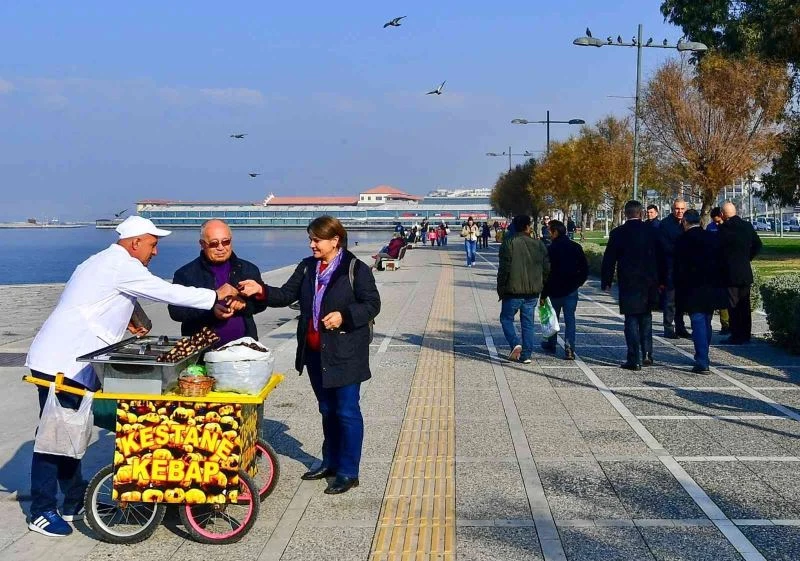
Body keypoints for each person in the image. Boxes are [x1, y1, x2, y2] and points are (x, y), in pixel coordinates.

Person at [24, 216, 239, 537]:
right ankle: (41, 510)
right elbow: (164, 291)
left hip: (72, 360)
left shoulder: (105, 261)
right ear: (135, 242)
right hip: (62, 362)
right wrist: (214, 296)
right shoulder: (121, 265)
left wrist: (134, 318)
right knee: (55, 438)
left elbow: (115, 297)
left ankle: (73, 501)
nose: (155, 253)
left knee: (71, 433)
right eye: (153, 245)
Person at [261, 216, 380, 494]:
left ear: (335, 240)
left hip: (346, 353)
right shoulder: (307, 267)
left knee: (347, 411)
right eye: (310, 239)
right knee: (327, 409)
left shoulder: (356, 269)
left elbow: (372, 304)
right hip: (315, 353)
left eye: (316, 239)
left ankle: (348, 471)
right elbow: (285, 295)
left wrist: (344, 316)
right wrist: (260, 291)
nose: (311, 244)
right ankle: (330, 461)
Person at [168, 219, 267, 346]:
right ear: (202, 244)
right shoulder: (185, 274)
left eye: (226, 242)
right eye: (214, 244)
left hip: (245, 348)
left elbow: (261, 305)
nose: (221, 248)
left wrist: (244, 305)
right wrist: (210, 310)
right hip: (202, 351)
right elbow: (175, 312)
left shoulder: (248, 269)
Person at [601, 200, 664, 371]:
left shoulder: (618, 233)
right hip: (649, 281)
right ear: (641, 213)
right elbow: (661, 257)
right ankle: (647, 354)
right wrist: (663, 280)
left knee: (631, 318)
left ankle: (633, 358)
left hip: (629, 281)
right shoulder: (652, 231)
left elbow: (609, 259)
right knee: (646, 317)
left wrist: (606, 280)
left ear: (626, 213)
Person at [673, 210, 728, 373]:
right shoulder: (712, 237)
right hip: (711, 285)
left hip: (691, 287)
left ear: (685, 222)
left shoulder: (682, 240)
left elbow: (677, 267)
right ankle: (704, 353)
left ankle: (702, 359)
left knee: (697, 321)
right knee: (706, 321)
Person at [497, 214, 550, 364]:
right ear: (528, 226)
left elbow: (504, 269)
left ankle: (515, 343)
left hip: (512, 291)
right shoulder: (538, 244)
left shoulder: (509, 243)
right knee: (528, 323)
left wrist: (501, 288)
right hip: (533, 291)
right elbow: (546, 268)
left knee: (506, 318)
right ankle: (526, 355)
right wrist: (543, 286)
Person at [540, 220, 588, 360]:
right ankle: (569, 348)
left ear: (555, 232)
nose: (548, 233)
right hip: (571, 290)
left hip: (554, 290)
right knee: (570, 320)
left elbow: (545, 272)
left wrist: (543, 293)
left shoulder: (550, 249)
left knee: (552, 318)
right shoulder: (575, 247)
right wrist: (577, 283)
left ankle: (551, 343)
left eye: (550, 230)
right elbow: (584, 269)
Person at [718, 202, 763, 344]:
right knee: (744, 304)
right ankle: (746, 334)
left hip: (730, 272)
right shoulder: (747, 226)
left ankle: (736, 334)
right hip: (744, 270)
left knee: (733, 304)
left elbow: (718, 251)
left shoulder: (723, 229)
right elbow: (758, 244)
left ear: (723, 214)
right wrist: (748, 257)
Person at [660, 199, 690, 339]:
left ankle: (680, 327)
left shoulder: (687, 223)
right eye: (677, 209)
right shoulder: (665, 224)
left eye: (682, 209)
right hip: (670, 267)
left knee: (682, 300)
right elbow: (663, 246)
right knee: (670, 300)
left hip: (684, 268)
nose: (680, 211)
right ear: (673, 209)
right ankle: (668, 327)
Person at [705, 207, 730, 334]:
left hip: (724, 266)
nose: (717, 224)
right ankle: (708, 324)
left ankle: (726, 325)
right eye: (715, 222)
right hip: (713, 265)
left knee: (724, 299)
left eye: (718, 221)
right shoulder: (710, 228)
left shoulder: (727, 228)